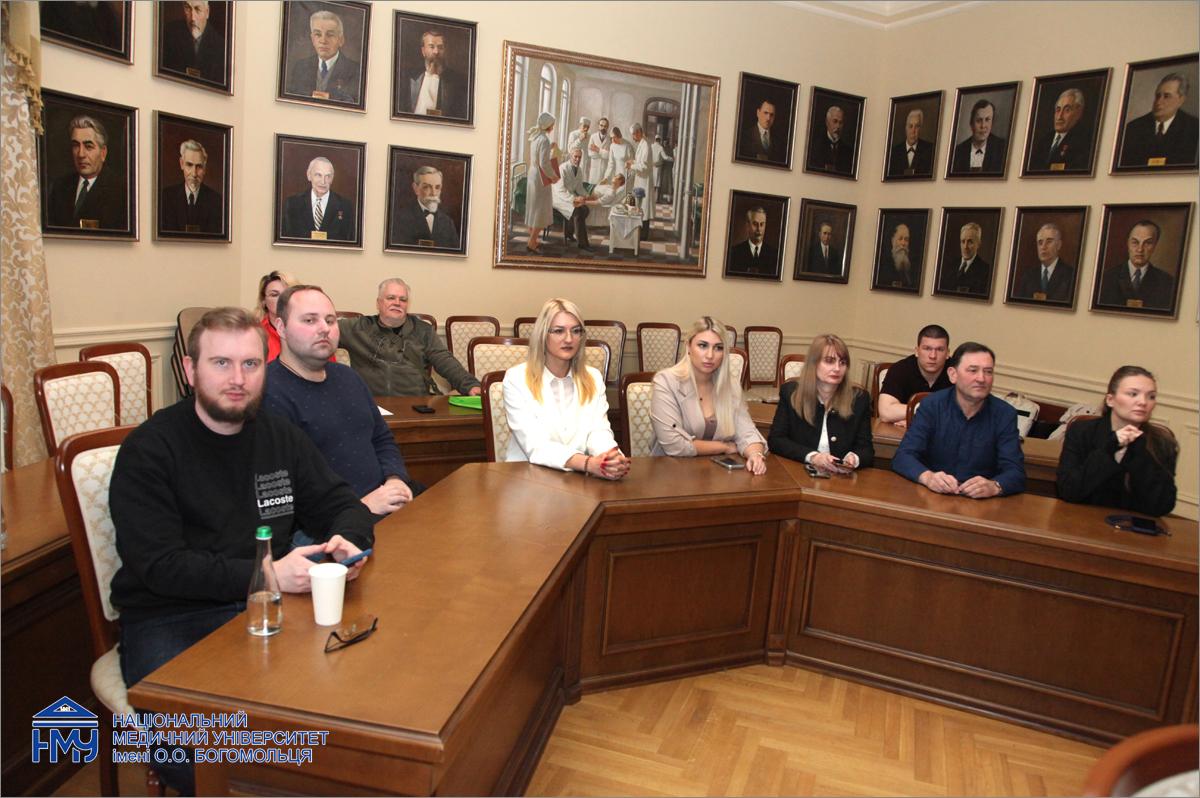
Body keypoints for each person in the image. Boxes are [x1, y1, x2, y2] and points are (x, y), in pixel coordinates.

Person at [109, 307, 375, 794]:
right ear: (190, 370)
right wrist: (268, 575)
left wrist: (348, 542)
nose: (238, 379)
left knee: (353, 720)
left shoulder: (279, 437)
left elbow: (342, 504)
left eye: (251, 364)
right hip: (171, 617)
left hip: (272, 609)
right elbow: (161, 567)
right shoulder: (149, 450)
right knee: (200, 760)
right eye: (221, 363)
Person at [264, 285, 420, 514]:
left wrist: (395, 479)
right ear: (281, 327)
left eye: (330, 320)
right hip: (334, 521)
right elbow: (282, 492)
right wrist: (362, 508)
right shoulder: (268, 391)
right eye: (309, 320)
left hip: (386, 499)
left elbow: (382, 438)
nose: (324, 329)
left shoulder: (348, 377)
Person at [502, 298, 630, 478]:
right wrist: (587, 463)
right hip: (528, 479)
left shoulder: (593, 377)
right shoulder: (517, 379)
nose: (569, 339)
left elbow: (598, 431)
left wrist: (610, 458)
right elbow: (536, 445)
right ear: (543, 335)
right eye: (559, 331)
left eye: (576, 331)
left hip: (578, 479)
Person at [892, 342, 1025, 498]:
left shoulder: (1004, 414)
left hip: (981, 503)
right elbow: (903, 456)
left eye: (988, 372)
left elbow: (1016, 472)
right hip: (932, 496)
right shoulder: (932, 406)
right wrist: (928, 477)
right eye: (973, 370)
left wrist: (995, 486)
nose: (981, 378)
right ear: (952, 374)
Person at [650, 316, 767, 475]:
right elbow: (674, 444)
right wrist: (724, 447)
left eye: (718, 348)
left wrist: (755, 454)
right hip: (671, 473)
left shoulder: (730, 385)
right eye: (703, 345)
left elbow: (747, 432)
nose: (710, 355)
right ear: (688, 346)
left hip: (718, 475)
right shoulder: (666, 382)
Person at [1056, 366, 1177, 516]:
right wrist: (1109, 449)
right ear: (1110, 400)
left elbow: (1161, 506)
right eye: (1133, 394)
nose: (1143, 402)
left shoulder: (1163, 443)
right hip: (1082, 519)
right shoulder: (1082, 431)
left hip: (1133, 525)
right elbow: (1068, 491)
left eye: (1151, 396)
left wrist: (1140, 453)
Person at [338, 277, 481, 397]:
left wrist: (470, 385)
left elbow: (445, 360)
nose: (397, 303)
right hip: (370, 404)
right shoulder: (358, 328)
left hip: (414, 404)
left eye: (403, 299)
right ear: (378, 303)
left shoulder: (423, 331)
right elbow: (327, 331)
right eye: (391, 298)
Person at [768, 334, 872, 474]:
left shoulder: (859, 399)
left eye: (842, 362)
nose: (837, 368)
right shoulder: (791, 393)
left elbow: (866, 449)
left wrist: (854, 458)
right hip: (798, 472)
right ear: (814, 363)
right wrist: (813, 457)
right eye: (829, 361)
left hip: (840, 477)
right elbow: (776, 440)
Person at [46, 115, 127, 230]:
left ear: (103, 153)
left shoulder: (120, 191)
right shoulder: (59, 187)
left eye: (88, 146)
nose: (81, 154)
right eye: (76, 146)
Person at [877, 324, 952, 426]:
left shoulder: (958, 372)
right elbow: (886, 412)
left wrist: (913, 419)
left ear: (947, 353)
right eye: (927, 348)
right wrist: (936, 413)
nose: (933, 356)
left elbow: (965, 414)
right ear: (917, 351)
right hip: (901, 433)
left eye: (939, 349)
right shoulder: (900, 369)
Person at [1120, 72, 1199, 167]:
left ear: (1181, 100)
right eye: (1158, 96)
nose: (1158, 102)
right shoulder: (1134, 128)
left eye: (1166, 96)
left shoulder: (1194, 128)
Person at [284, 9, 361, 103]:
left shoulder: (356, 71)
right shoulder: (300, 67)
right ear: (312, 39)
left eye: (330, 35)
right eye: (318, 34)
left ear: (341, 40)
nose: (323, 41)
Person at [1097, 219, 1177, 310]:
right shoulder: (1106, 278)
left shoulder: (1167, 283)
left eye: (1147, 243)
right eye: (1135, 242)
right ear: (1127, 243)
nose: (1140, 249)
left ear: (1155, 245)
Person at [282, 156, 355, 241]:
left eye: (328, 176)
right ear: (309, 175)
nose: (323, 181)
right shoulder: (292, 204)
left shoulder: (345, 206)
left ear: (332, 178)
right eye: (318, 175)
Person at [159, 139, 223, 234]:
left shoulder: (217, 201)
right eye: (189, 165)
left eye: (199, 166)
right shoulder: (166, 197)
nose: (194, 173)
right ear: (181, 164)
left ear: (205, 168)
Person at [400, 28, 467, 118]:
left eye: (440, 47)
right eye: (431, 47)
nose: (436, 52)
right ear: (423, 51)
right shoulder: (408, 77)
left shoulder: (458, 82)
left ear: (445, 50)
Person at [390, 165, 459, 248]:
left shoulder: (448, 223)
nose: (434, 193)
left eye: (437, 187)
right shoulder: (400, 219)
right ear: (415, 188)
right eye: (427, 187)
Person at [160, 0, 225, 83]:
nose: (193, 18)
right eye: (188, 8)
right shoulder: (170, 33)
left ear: (207, 12)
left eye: (197, 9)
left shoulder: (221, 46)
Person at [1030, 88, 1092, 171]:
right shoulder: (1044, 141)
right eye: (1058, 110)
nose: (1060, 117)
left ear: (1078, 113)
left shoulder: (1084, 142)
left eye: (1067, 110)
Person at [1014, 222, 1076, 302]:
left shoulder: (1071, 275)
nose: (1043, 247)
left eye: (1049, 241)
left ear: (1059, 245)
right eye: (1040, 243)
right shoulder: (1028, 276)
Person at [524, 112, 557, 253]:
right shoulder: (544, 140)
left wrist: (550, 148)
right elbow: (544, 164)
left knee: (533, 207)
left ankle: (533, 239)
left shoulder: (535, 137)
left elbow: (538, 157)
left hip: (532, 174)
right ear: (548, 125)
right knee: (540, 210)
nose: (553, 127)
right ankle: (531, 243)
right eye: (552, 125)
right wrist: (553, 176)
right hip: (540, 177)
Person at [552, 147, 594, 250]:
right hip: (558, 198)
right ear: (570, 156)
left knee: (585, 209)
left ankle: (569, 233)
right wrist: (574, 199)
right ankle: (583, 244)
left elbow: (579, 188)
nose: (578, 159)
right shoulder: (562, 168)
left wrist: (586, 195)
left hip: (568, 196)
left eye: (579, 157)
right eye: (575, 157)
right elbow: (560, 190)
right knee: (578, 211)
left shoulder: (579, 170)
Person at [951, 98, 1007, 174]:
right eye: (978, 120)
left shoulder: (1002, 148)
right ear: (971, 124)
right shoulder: (958, 151)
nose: (983, 126)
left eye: (987, 120)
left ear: (992, 123)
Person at [255, 270, 298, 362]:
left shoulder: (311, 330)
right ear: (263, 301)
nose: (282, 299)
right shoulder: (255, 334)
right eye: (274, 295)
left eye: (287, 293)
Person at [939, 222, 991, 295]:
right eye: (963, 241)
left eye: (970, 242)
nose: (965, 247)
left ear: (978, 244)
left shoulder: (986, 271)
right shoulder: (948, 267)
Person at [727, 206, 777, 276]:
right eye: (755, 224)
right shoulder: (734, 253)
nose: (759, 229)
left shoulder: (774, 254)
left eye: (762, 224)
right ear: (747, 225)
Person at [888, 108, 934, 177]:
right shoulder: (894, 152)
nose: (913, 131)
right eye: (910, 126)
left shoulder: (930, 150)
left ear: (921, 129)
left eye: (917, 126)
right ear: (906, 128)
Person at [628, 123, 656, 236]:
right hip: (640, 179)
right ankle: (641, 232)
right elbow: (640, 162)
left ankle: (644, 234)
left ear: (639, 132)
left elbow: (644, 166)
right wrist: (633, 162)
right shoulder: (642, 143)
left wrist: (631, 166)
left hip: (645, 180)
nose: (633, 137)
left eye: (633, 135)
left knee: (644, 206)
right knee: (640, 205)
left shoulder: (646, 145)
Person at [807, 105, 853, 174]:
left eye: (840, 123)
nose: (838, 126)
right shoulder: (815, 147)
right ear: (827, 122)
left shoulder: (848, 152)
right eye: (835, 121)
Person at [876, 222, 918, 289]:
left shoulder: (911, 267)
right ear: (892, 240)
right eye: (900, 239)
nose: (903, 243)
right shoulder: (884, 265)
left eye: (906, 240)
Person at [586, 116, 611, 184]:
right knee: (593, 187)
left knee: (603, 187)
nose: (603, 128)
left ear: (608, 127)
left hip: (604, 168)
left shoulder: (610, 138)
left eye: (605, 126)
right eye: (601, 125)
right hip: (594, 169)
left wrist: (598, 150)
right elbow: (590, 153)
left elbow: (609, 155)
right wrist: (604, 153)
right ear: (598, 126)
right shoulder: (593, 137)